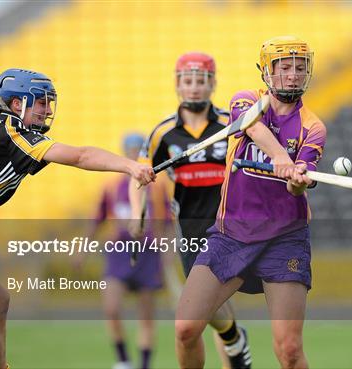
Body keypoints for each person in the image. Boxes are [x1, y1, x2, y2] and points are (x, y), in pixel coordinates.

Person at [0, 68, 156, 369]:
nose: (47, 110)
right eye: (41, 102)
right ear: (17, 104)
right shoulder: (12, 134)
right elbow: (79, 156)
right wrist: (130, 166)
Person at [173, 36, 327, 369]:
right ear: (267, 73)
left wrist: (297, 179)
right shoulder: (246, 100)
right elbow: (250, 128)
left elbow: (298, 189)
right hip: (231, 234)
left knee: (289, 350)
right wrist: (281, 156)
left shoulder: (313, 127)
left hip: (284, 239)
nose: (293, 75)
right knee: (185, 328)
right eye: (284, 67)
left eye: (300, 68)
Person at [129, 52, 252, 369]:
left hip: (232, 224)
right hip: (190, 227)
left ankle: (233, 346)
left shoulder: (232, 124)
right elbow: (139, 175)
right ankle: (234, 337)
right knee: (207, 305)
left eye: (201, 81)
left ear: (212, 84)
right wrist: (135, 212)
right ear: (177, 85)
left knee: (206, 301)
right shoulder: (164, 133)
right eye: (187, 81)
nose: (194, 88)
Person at [77, 133, 170, 369]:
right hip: (118, 251)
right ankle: (123, 361)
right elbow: (97, 219)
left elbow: (167, 223)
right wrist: (81, 250)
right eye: (130, 150)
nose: (134, 154)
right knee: (111, 308)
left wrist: (167, 254)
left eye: (139, 150)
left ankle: (144, 365)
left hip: (148, 252)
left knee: (146, 315)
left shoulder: (158, 186)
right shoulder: (110, 186)